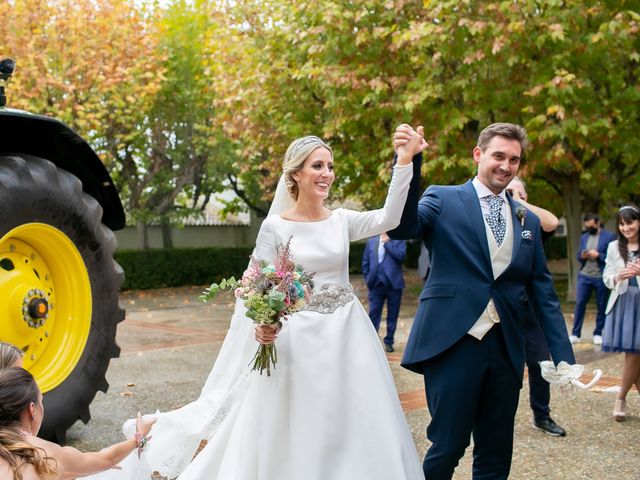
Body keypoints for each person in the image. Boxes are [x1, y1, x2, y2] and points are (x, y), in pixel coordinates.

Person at [84, 133, 428, 480]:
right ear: (295, 174)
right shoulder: (276, 226)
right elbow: (252, 284)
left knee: (356, 417)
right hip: (297, 343)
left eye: (330, 166)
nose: (327, 173)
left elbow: (390, 217)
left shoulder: (341, 221)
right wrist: (264, 322)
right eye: (317, 166)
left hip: (348, 337)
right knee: (297, 421)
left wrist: (404, 161)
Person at [390, 122, 576, 479]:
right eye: (498, 156)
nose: (506, 166)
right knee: (448, 445)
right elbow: (402, 227)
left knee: (495, 453)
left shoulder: (527, 219)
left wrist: (564, 358)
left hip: (506, 350)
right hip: (453, 342)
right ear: (478, 155)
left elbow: (543, 293)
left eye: (514, 160)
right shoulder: (443, 198)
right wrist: (408, 163)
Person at [0, 367, 156, 480]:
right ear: (33, 410)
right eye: (41, 401)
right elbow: (107, 459)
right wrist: (139, 438)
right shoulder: (51, 455)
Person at [506, 177, 567, 437]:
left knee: (542, 364)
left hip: (530, 311)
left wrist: (516, 200)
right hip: (503, 309)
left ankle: (541, 415)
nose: (511, 194)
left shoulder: (532, 221)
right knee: (504, 369)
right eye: (507, 190)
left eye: (517, 190)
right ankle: (497, 420)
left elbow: (553, 222)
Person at [601, 205, 640, 421]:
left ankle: (621, 397)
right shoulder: (614, 247)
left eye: (631, 222)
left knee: (636, 356)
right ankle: (621, 399)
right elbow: (606, 276)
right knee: (634, 354)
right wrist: (618, 276)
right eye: (622, 223)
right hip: (624, 302)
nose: (626, 227)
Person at [570, 213, 616, 345]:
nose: (589, 229)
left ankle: (597, 333)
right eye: (587, 227)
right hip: (584, 276)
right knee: (579, 304)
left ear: (597, 223)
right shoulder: (584, 237)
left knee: (601, 305)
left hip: (601, 276)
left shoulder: (609, 237)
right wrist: (582, 256)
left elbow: (612, 257)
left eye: (591, 226)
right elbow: (579, 256)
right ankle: (575, 334)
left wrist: (598, 255)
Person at [362, 232, 407, 352]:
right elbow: (365, 262)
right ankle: (372, 341)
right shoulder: (372, 241)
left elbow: (401, 256)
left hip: (394, 284)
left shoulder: (398, 238)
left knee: (393, 315)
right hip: (375, 285)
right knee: (373, 314)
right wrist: (368, 279)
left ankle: (389, 341)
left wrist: (388, 243)